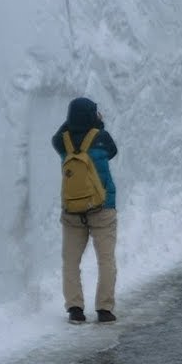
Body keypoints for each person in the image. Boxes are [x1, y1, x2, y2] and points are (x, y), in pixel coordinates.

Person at [52, 97, 119, 324]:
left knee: (71, 261)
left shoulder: (63, 142)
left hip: (72, 210)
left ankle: (75, 310)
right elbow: (112, 151)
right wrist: (97, 125)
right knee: (106, 260)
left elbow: (55, 138)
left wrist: (70, 124)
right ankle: (104, 309)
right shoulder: (101, 137)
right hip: (103, 207)